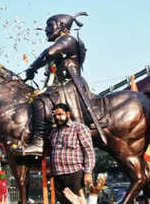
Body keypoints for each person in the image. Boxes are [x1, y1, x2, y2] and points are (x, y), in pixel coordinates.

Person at [13, 13, 94, 156]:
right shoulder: (63, 41)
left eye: (50, 26)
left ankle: (38, 143)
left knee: (40, 101)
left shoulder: (67, 39)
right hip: (62, 84)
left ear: (62, 26)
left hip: (70, 83)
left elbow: (49, 52)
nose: (46, 29)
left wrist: (32, 67)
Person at [49, 103, 95, 204]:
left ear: (68, 114)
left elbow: (89, 151)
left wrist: (88, 172)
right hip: (58, 176)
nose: (58, 117)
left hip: (75, 174)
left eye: (60, 114)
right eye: (55, 115)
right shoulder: (53, 133)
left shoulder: (79, 128)